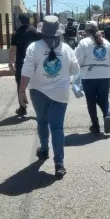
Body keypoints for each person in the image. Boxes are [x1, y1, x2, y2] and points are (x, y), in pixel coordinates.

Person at [18, 15, 80, 178]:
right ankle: (59, 164)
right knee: (57, 128)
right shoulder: (66, 49)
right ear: (58, 33)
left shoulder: (34, 47)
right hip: (60, 94)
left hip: (38, 92)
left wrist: (21, 91)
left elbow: (26, 72)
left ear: (42, 32)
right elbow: (75, 70)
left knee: (42, 121)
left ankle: (44, 149)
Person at [74, 21, 110, 134]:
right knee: (104, 98)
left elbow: (77, 60)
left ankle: (95, 125)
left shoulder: (83, 42)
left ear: (86, 31)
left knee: (91, 101)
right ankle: (106, 115)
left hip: (88, 76)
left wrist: (77, 70)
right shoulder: (106, 42)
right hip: (105, 75)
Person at [9, 13, 41, 116]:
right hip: (35, 62)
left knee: (20, 84)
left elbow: (13, 50)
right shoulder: (35, 31)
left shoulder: (16, 33)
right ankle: (40, 108)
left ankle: (22, 108)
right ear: (29, 20)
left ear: (19, 21)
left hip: (21, 63)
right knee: (38, 85)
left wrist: (11, 63)